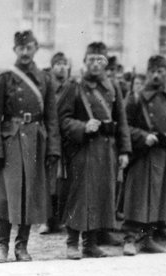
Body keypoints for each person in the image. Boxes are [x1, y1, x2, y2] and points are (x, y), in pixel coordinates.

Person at [0, 30, 60, 263]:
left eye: (29, 48)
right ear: (14, 50)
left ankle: (22, 246)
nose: (25, 52)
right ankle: (2, 245)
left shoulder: (45, 79)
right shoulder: (4, 77)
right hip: (11, 142)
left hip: (36, 141)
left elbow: (52, 118)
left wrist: (54, 148)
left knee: (30, 194)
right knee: (7, 195)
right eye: (20, 48)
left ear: (36, 48)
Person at [57, 41, 131, 260]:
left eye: (100, 60)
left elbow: (122, 121)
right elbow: (63, 119)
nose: (96, 65)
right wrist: (82, 127)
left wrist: (125, 150)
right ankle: (72, 242)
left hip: (107, 149)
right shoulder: (74, 86)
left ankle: (91, 244)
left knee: (100, 195)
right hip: (83, 149)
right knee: (79, 196)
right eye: (91, 60)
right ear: (84, 62)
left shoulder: (112, 87)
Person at [122, 55, 166, 255]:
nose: (156, 76)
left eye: (161, 72)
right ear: (147, 73)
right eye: (153, 72)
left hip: (163, 154)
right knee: (137, 197)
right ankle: (130, 239)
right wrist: (143, 136)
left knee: (158, 198)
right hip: (141, 154)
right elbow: (123, 127)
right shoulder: (136, 97)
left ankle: (147, 238)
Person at [40, 52, 71, 235]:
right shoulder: (47, 86)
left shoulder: (72, 87)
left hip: (67, 139)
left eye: (64, 63)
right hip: (50, 138)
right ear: (52, 67)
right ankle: (45, 220)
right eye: (57, 63)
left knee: (64, 182)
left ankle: (60, 219)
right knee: (48, 181)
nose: (61, 67)